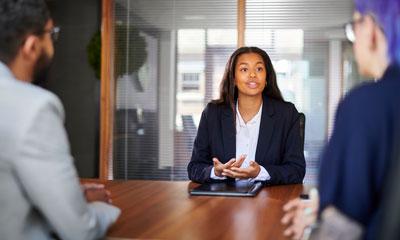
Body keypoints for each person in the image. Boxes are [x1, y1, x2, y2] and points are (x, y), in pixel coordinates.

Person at [0, 1, 120, 239]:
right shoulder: (35, 107)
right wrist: (101, 210)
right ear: (31, 46)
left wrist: (72, 197)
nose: (53, 42)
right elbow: (80, 231)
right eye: (51, 34)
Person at [281, 0, 400, 239]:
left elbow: (343, 226)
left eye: (355, 25)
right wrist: (322, 208)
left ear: (371, 29)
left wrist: (322, 220)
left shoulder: (365, 104)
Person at [187, 46, 305, 184]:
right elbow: (194, 168)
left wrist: (260, 172)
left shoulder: (286, 114)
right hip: (223, 200)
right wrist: (217, 172)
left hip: (270, 200)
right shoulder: (213, 113)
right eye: (244, 69)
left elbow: (296, 170)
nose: (252, 75)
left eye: (259, 69)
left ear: (267, 77)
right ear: (234, 78)